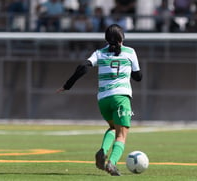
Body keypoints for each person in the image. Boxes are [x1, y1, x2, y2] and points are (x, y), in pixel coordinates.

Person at [56, 24, 142, 176]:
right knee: (121, 135)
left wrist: (67, 85)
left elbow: (83, 66)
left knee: (113, 128)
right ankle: (112, 164)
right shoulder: (130, 52)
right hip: (121, 97)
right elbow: (138, 77)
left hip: (103, 99)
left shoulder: (99, 53)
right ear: (122, 37)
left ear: (106, 39)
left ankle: (103, 150)